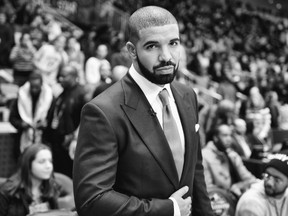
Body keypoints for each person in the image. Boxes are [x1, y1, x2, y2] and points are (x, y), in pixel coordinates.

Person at [73, 6, 214, 216]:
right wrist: (170, 209)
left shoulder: (187, 95)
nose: (166, 57)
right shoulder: (103, 111)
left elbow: (195, 172)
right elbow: (92, 201)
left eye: (173, 43)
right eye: (152, 46)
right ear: (132, 50)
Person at [43, 64, 87, 178]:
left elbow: (87, 119)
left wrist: (74, 136)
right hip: (56, 140)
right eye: (59, 76)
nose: (60, 79)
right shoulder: (62, 93)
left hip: (70, 143)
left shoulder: (81, 94)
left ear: (73, 76)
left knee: (68, 175)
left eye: (64, 76)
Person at [0, 144, 61, 216]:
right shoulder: (7, 190)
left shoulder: (52, 186)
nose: (48, 166)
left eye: (50, 161)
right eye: (42, 162)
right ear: (28, 164)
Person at [202, 124, 257, 198]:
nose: (229, 139)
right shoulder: (205, 155)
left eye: (230, 135)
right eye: (225, 135)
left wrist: (238, 186)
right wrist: (229, 192)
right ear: (215, 138)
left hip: (237, 197)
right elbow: (207, 188)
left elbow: (251, 179)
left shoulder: (232, 155)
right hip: (218, 201)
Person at [9, 71, 53, 156]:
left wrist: (45, 124)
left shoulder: (49, 97)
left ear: (41, 85)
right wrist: (21, 124)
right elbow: (12, 118)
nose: (34, 90)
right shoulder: (22, 95)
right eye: (32, 87)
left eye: (37, 87)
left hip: (43, 139)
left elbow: (52, 120)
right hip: (23, 137)